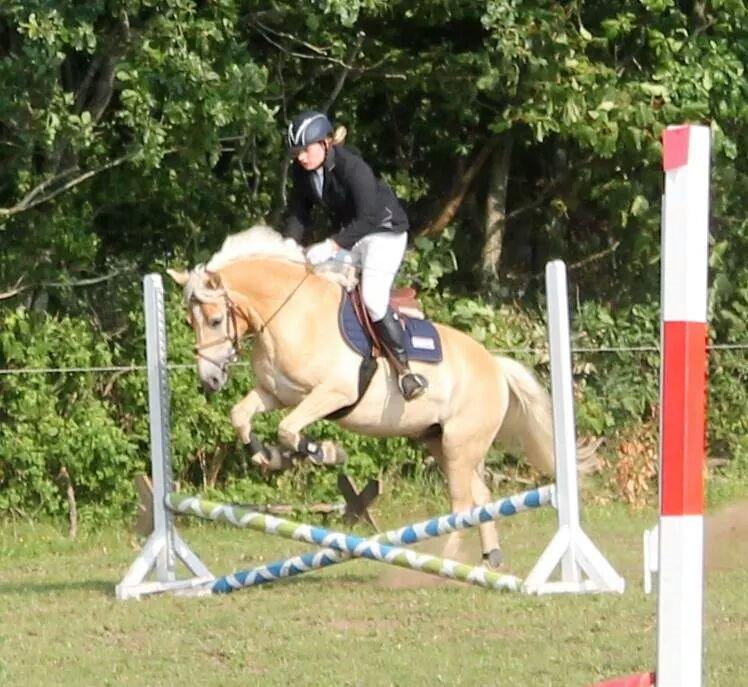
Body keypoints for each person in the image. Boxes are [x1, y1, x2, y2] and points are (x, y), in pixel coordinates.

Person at [283, 109, 428, 401]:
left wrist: (333, 245)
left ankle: (406, 372)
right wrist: (287, 247)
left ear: (325, 143)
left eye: (305, 150)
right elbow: (299, 214)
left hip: (383, 233)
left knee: (373, 299)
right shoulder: (303, 172)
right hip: (353, 236)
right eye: (296, 152)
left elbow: (368, 217)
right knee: (315, 279)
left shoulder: (352, 167)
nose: (300, 158)